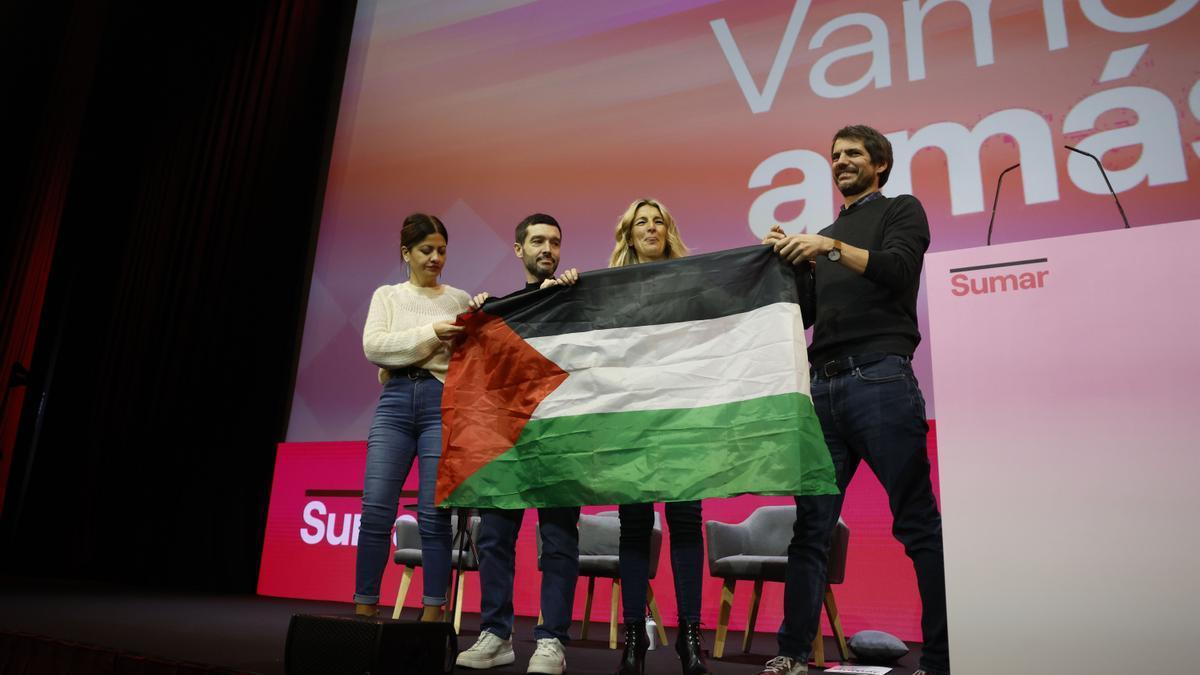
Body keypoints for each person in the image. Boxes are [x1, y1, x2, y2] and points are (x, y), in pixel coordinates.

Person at [758, 126, 950, 675]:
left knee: (916, 524)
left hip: (881, 382)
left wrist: (829, 248)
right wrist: (790, 268)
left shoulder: (901, 211)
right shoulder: (824, 236)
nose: (841, 162)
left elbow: (898, 270)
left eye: (853, 154)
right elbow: (807, 316)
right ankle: (793, 655)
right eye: (835, 156)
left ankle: (941, 659)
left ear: (880, 164)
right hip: (823, 388)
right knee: (811, 529)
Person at [456, 213, 580, 674]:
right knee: (494, 537)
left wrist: (573, 295)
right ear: (518, 250)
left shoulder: (572, 296)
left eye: (555, 241)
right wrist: (482, 314)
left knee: (559, 540)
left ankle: (552, 642)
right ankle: (496, 634)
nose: (548, 248)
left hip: (561, 435)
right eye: (538, 241)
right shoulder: (499, 309)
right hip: (508, 439)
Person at [353, 213, 487, 622]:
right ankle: (364, 611)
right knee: (377, 508)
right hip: (394, 402)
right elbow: (376, 348)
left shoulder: (459, 299)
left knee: (434, 514)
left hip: (440, 405)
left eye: (441, 250)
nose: (435, 258)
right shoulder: (387, 297)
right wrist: (432, 334)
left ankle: (431, 617)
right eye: (426, 250)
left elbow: (475, 357)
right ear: (405, 253)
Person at [608, 199, 711, 675]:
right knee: (634, 528)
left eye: (659, 222)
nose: (651, 228)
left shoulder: (694, 280)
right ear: (629, 236)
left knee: (686, 523)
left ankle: (691, 640)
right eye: (641, 223)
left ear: (669, 231)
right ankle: (634, 639)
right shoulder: (607, 290)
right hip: (632, 419)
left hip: (682, 417)